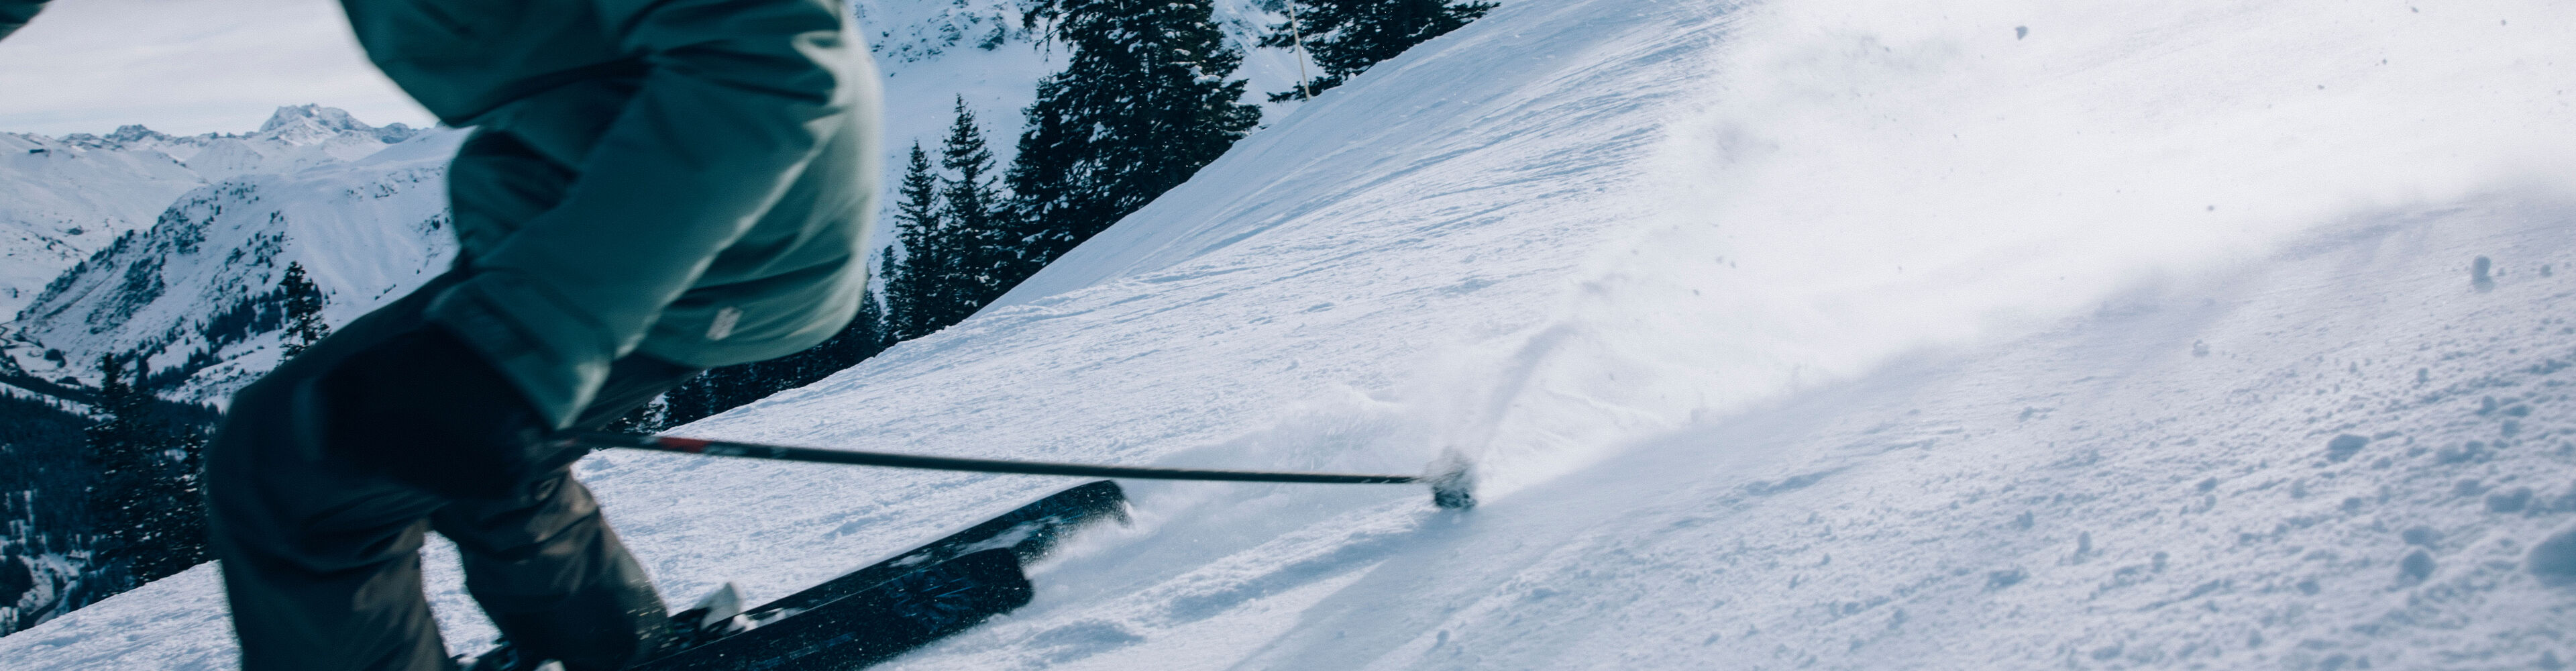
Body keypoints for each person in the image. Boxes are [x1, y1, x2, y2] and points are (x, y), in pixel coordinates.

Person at [3, 0, 882, 668]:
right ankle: (623, 648)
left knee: (291, 471)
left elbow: (768, 57)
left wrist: (512, 347)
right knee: (448, 440)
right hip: (580, 199)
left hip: (726, 222)